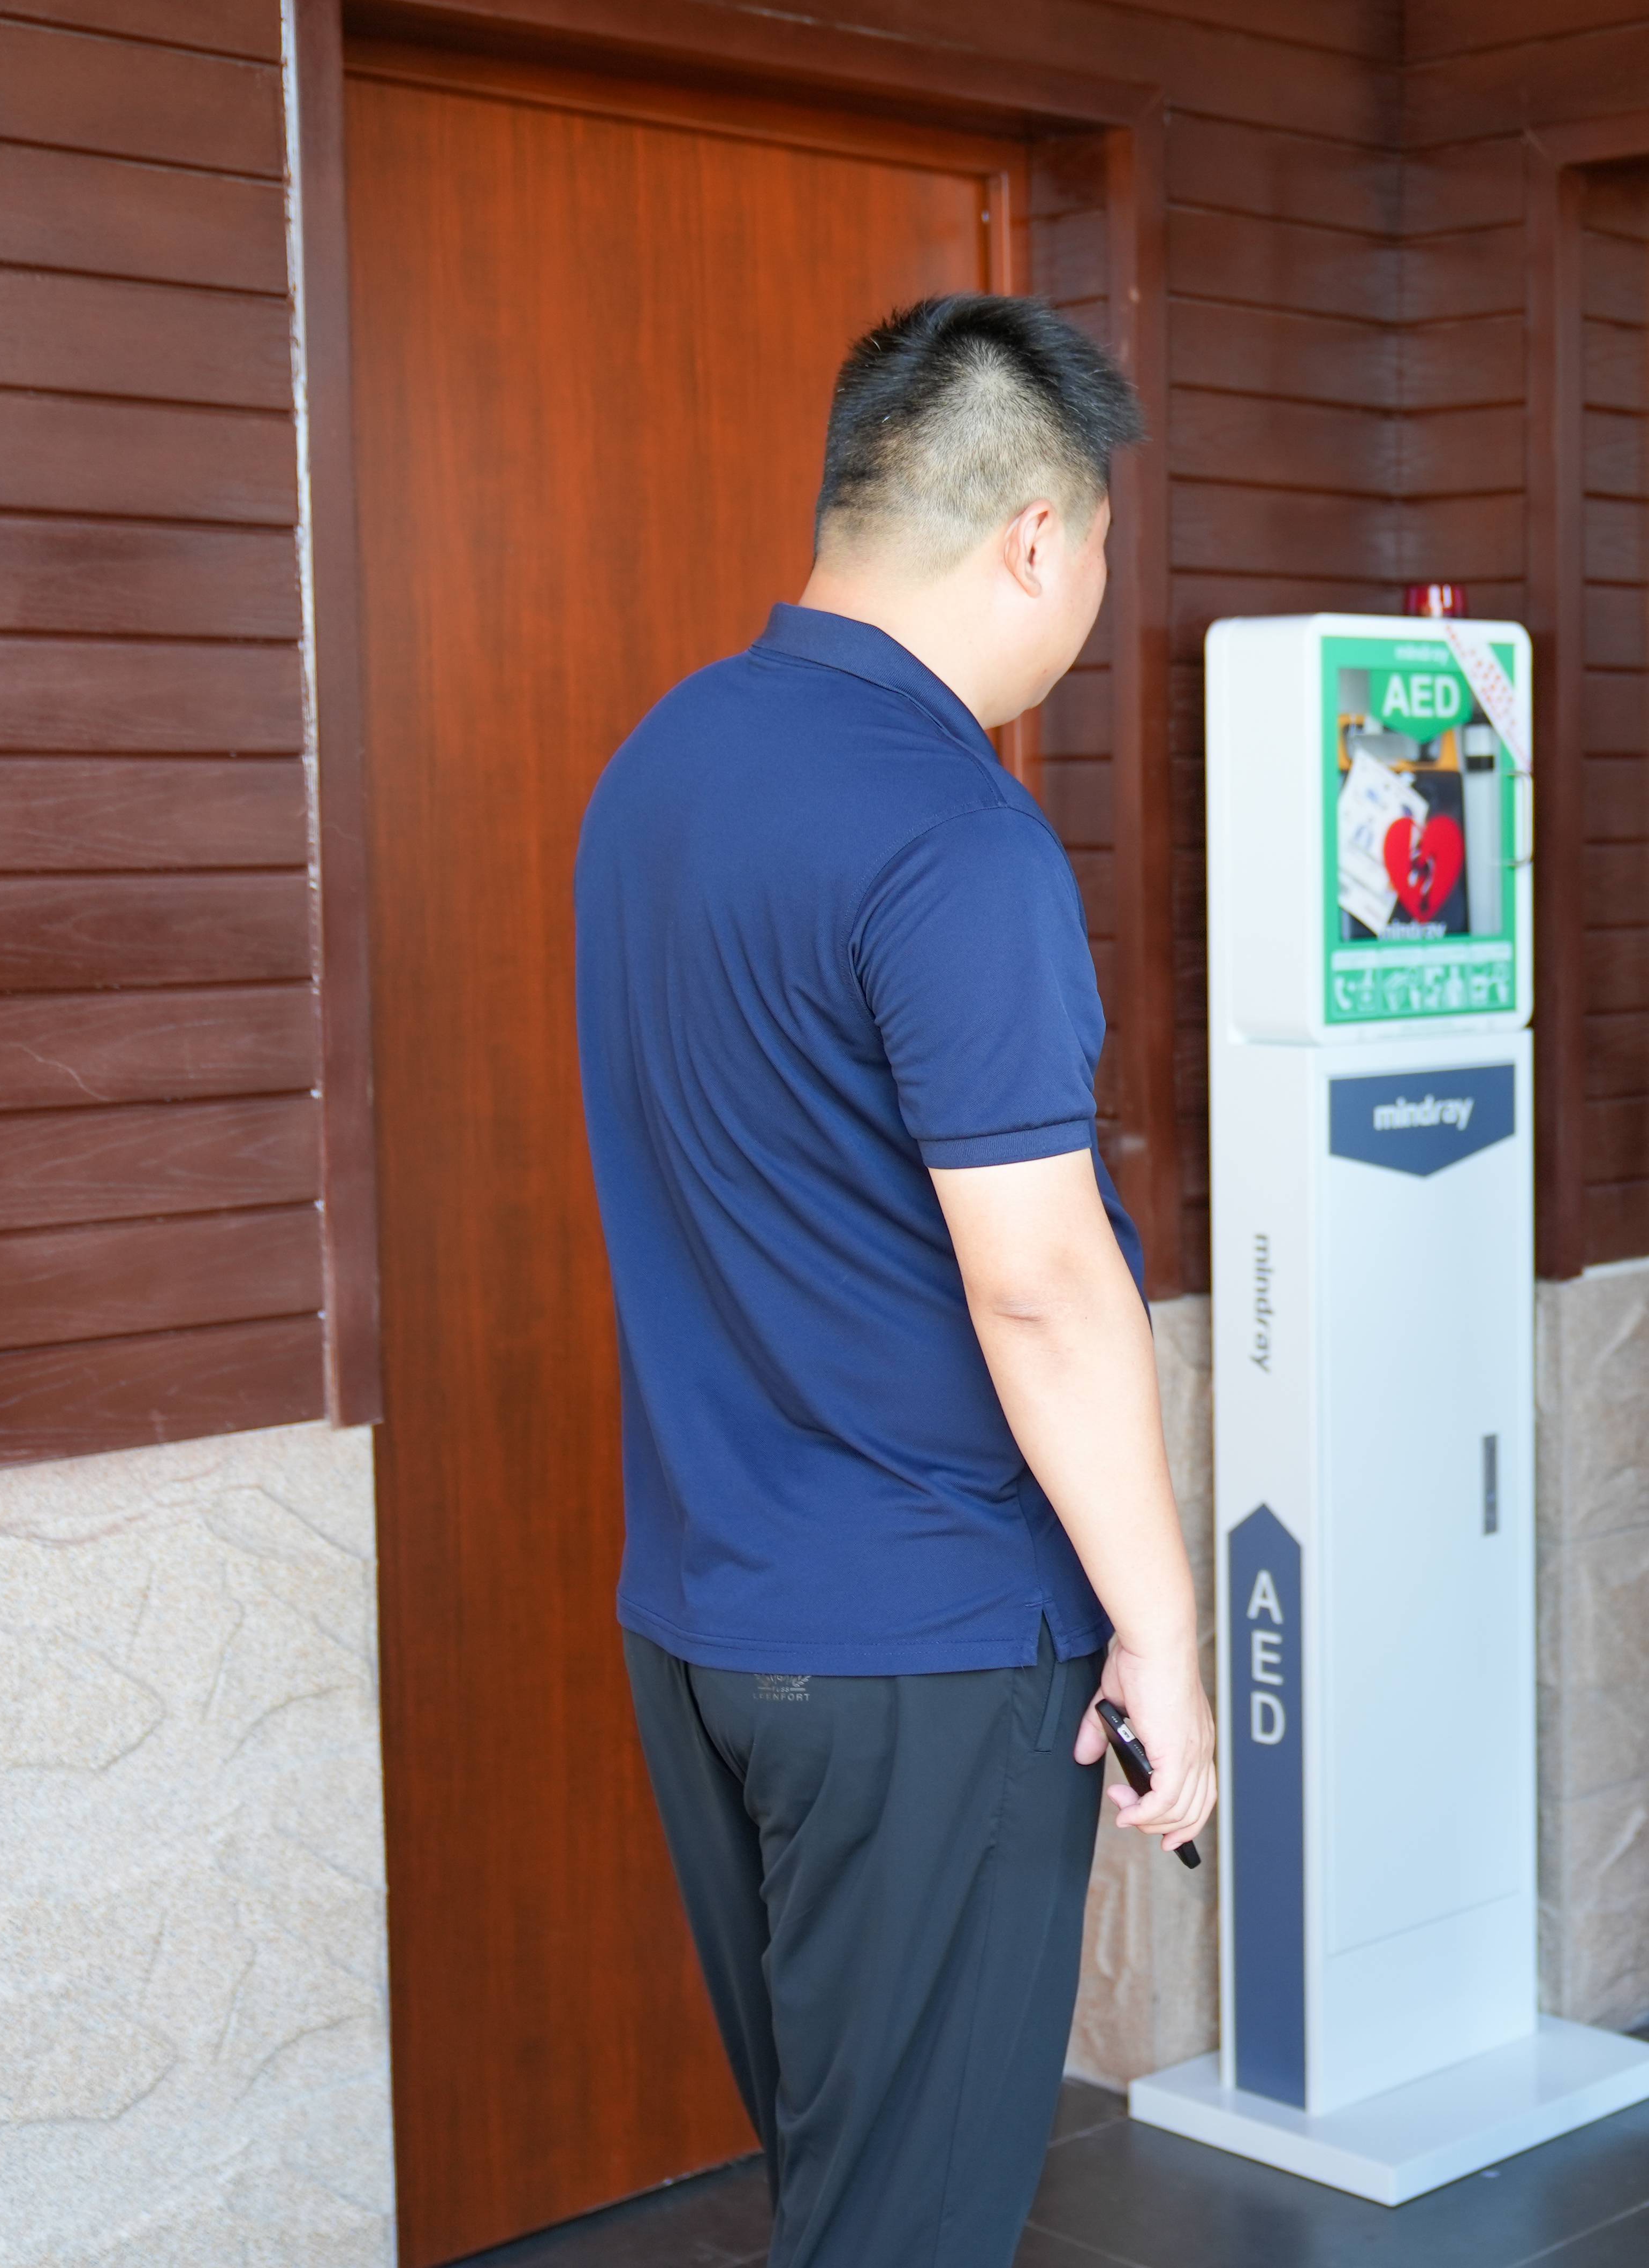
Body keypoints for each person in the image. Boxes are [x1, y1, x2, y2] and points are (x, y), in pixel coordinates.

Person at [575, 293, 1217, 2268]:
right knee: (903, 2225)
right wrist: (1164, 1637)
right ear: (1034, 535)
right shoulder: (955, 831)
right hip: (924, 1641)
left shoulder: (661, 762)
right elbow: (1039, 1287)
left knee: (843, 2189)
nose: (1092, 595)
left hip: (705, 1622)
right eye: (1097, 549)